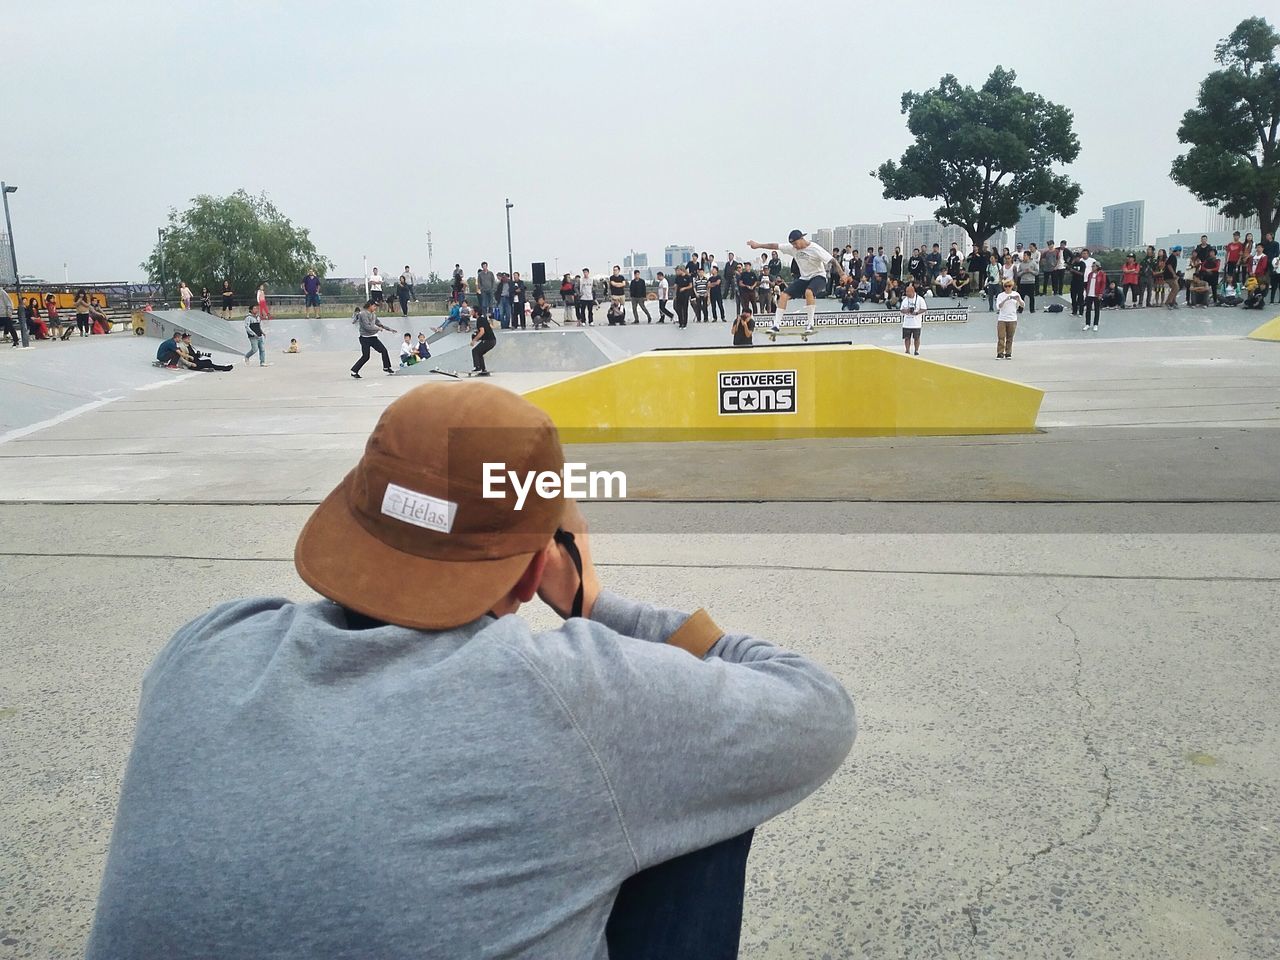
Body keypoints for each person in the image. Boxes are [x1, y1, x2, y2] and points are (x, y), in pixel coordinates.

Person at [85, 381, 855, 960]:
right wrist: (590, 600)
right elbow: (815, 707)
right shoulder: (569, 693)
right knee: (703, 786)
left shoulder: (206, 644)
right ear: (529, 576)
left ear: (351, 520)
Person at [747, 230, 844, 333]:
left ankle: (810, 324)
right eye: (792, 244)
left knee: (808, 292)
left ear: (802, 239)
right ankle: (776, 326)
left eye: (796, 243)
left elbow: (833, 260)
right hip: (804, 278)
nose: (795, 246)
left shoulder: (815, 248)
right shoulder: (792, 248)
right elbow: (774, 246)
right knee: (783, 295)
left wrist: (842, 274)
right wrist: (758, 245)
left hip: (819, 277)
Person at [350, 300, 396, 378]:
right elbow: (367, 327)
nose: (375, 308)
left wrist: (389, 329)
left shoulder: (373, 314)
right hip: (365, 338)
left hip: (373, 337)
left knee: (383, 350)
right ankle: (354, 371)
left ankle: (386, 367)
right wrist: (378, 328)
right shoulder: (363, 314)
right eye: (374, 306)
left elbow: (379, 324)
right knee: (366, 356)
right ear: (370, 305)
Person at [994, 278, 1024, 360]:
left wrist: (1018, 299)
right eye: (1006, 286)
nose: (1008, 288)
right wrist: (1006, 299)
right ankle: (1000, 353)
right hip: (1002, 319)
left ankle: (1008, 353)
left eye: (1009, 286)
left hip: (1012, 319)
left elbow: (1022, 305)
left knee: (1010, 337)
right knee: (1001, 336)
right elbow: (998, 307)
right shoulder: (1000, 295)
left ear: (1012, 286)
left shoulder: (1016, 294)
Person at [899, 281, 927, 355]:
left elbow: (924, 309)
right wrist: (907, 310)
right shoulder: (905, 300)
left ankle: (916, 350)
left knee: (916, 338)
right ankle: (907, 350)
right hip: (907, 323)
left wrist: (917, 312)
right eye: (906, 292)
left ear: (913, 291)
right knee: (906, 338)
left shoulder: (920, 299)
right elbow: (901, 310)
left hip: (916, 323)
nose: (907, 294)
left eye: (908, 292)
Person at [470, 306, 496, 376]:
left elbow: (482, 332)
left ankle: (477, 367)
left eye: (472, 311)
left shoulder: (479, 320)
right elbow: (489, 327)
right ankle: (483, 370)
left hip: (489, 341)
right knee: (479, 353)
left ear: (476, 312)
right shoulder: (483, 319)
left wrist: (474, 340)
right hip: (492, 340)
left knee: (475, 351)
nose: (471, 313)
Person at [1084, 264, 1106, 330]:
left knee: (1097, 309)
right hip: (1089, 294)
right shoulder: (1090, 274)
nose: (1092, 267)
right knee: (1088, 310)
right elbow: (1088, 284)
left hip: (1097, 294)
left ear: (1097, 267)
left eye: (1094, 266)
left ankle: (1095, 324)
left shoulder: (1102, 274)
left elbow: (1103, 284)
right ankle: (1087, 324)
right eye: (1092, 266)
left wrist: (1100, 293)